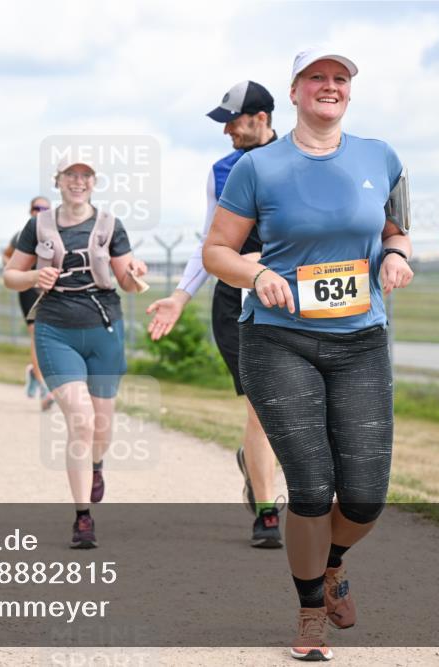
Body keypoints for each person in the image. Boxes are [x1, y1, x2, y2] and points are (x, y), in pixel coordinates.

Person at [202, 47, 414, 661]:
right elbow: (218, 249)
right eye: (316, 78)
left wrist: (397, 256)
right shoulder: (258, 167)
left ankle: (333, 563)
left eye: (340, 78)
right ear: (293, 92)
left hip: (360, 340)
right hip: (278, 338)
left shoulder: (383, 157)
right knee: (314, 488)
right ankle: (309, 613)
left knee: (367, 496)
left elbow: (395, 229)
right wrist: (254, 273)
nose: (329, 86)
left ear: (350, 91)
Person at [146, 80, 283, 548]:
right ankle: (268, 512)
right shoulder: (221, 172)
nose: (226, 131)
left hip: (293, 298)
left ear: (260, 118)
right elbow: (210, 243)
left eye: (233, 121)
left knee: (299, 409)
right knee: (262, 408)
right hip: (237, 301)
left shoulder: (298, 160)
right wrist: (180, 296)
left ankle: (255, 462)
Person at [3, 156, 148, 549]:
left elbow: (127, 283)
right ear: (59, 181)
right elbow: (11, 276)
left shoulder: (110, 225)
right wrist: (35, 275)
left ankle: (96, 464)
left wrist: (136, 276)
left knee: (101, 427)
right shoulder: (38, 225)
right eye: (71, 175)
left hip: (103, 331)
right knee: (80, 421)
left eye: (85, 176)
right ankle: (83, 517)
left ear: (94, 183)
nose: (78, 182)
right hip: (56, 330)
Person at [2, 196, 55, 411]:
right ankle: (43, 385)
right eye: (36, 207)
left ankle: (35, 372)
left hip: (51, 290)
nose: (40, 211)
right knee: (37, 334)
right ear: (30, 210)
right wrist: (18, 271)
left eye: (45, 208)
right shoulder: (22, 236)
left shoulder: (57, 235)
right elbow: (6, 257)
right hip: (29, 290)